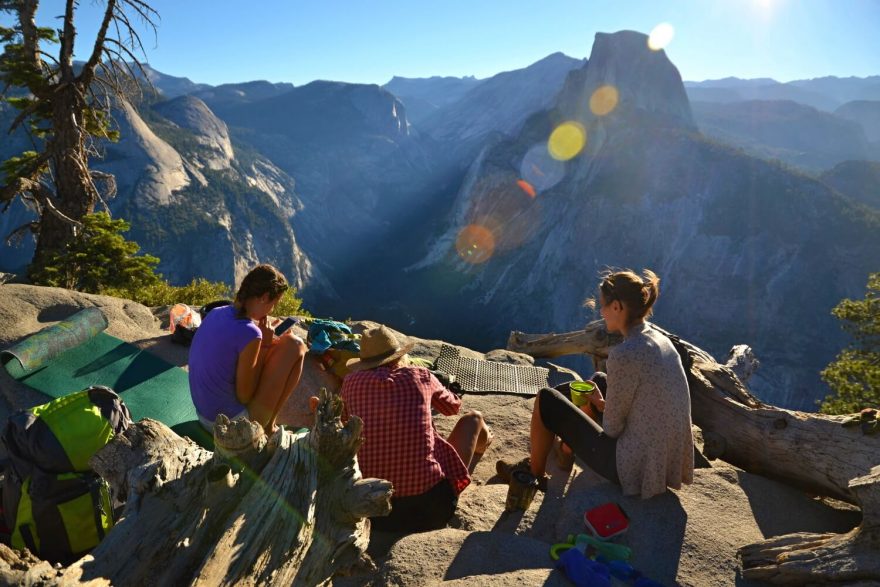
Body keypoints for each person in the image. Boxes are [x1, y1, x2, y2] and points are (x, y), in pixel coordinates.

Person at [507, 268, 693, 500]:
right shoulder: (659, 339)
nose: (601, 312)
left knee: (546, 399)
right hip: (665, 460)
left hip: (633, 466)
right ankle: (564, 453)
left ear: (617, 307)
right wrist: (602, 401)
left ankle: (534, 476)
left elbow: (613, 429)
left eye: (603, 305)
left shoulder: (625, 354)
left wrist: (600, 404)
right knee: (598, 381)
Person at [341, 325, 493, 532]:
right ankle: (483, 445)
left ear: (364, 363)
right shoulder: (420, 375)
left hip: (375, 512)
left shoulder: (349, 384)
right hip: (431, 510)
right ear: (399, 356)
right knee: (474, 419)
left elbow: (345, 423)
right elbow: (452, 408)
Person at [189, 264, 307, 434]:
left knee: (281, 345)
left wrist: (265, 342)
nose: (272, 310)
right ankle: (268, 427)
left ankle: (268, 425)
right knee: (296, 345)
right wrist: (265, 345)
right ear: (265, 297)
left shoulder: (216, 312)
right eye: (274, 303)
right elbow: (244, 395)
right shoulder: (250, 332)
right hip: (231, 428)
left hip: (203, 416)